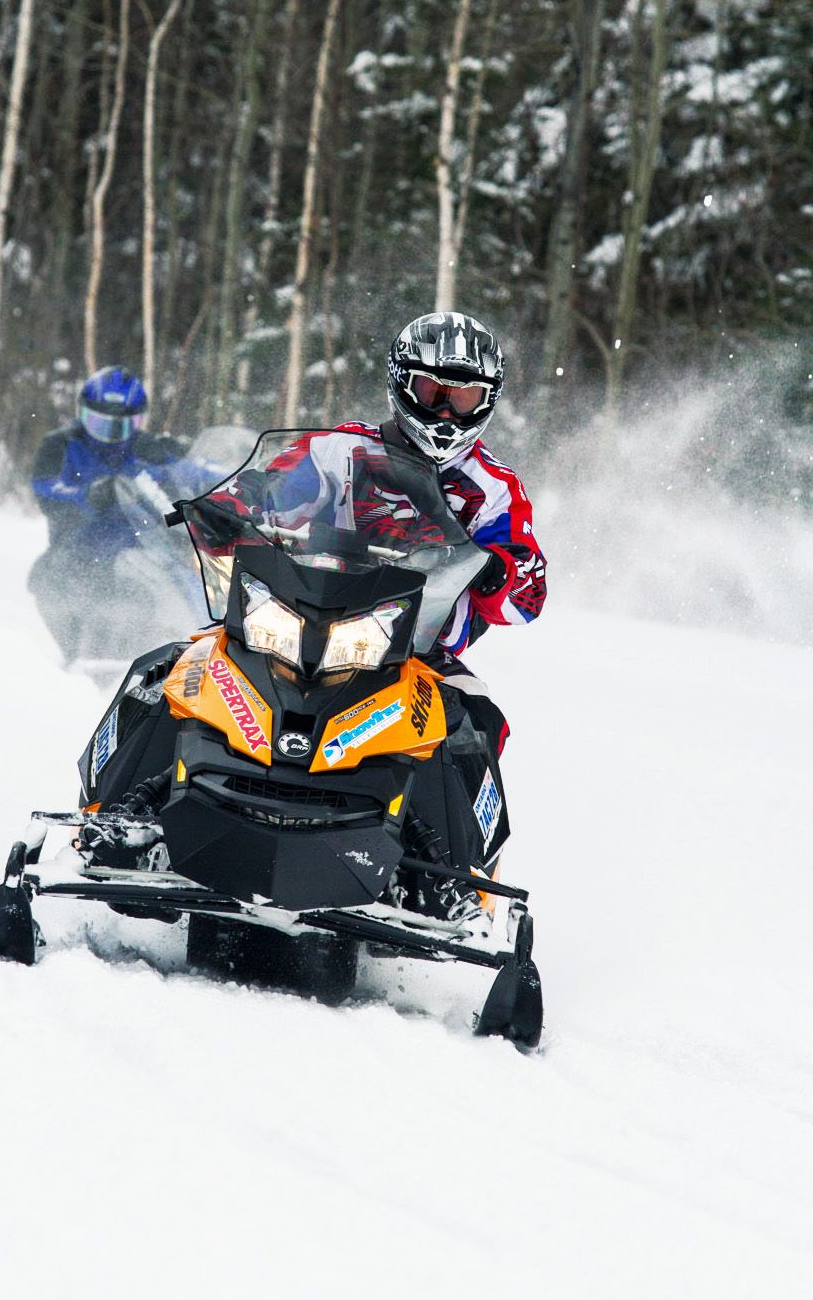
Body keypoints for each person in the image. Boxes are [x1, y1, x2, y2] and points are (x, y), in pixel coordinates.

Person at [221, 310, 547, 920]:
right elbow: (272, 489)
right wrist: (236, 507)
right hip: (295, 616)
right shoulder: (341, 450)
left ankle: (456, 878)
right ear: (403, 386)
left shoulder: (494, 489)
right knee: (177, 671)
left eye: (464, 398)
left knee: (474, 723)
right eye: (433, 393)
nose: (447, 413)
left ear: (488, 402)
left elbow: (528, 590)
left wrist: (507, 573)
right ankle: (122, 813)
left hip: (413, 649)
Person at [28, 366, 187, 660]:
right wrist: (85, 495)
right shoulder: (60, 445)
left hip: (144, 547)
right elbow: (45, 490)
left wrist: (213, 469)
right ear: (82, 414)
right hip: (79, 549)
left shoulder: (147, 447)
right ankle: (77, 660)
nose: (111, 437)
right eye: (100, 424)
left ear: (137, 422)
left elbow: (190, 470)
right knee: (57, 583)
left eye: (121, 427)